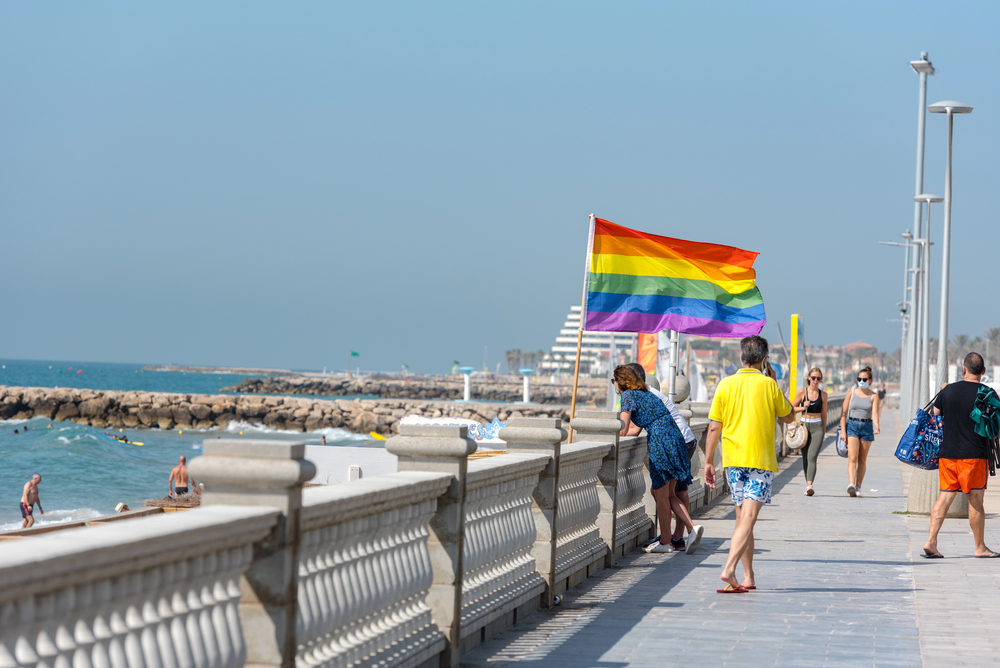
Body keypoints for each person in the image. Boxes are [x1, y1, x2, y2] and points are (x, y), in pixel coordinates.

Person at [704, 335, 794, 593]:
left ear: (741, 357)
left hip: (733, 460)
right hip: (760, 460)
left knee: (742, 520)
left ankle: (748, 576)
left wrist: (708, 461)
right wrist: (775, 382)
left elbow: (713, 426)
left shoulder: (725, 384)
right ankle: (730, 568)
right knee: (750, 518)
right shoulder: (769, 385)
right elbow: (788, 417)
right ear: (764, 360)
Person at [613, 365, 704, 555]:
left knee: (662, 495)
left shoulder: (628, 396)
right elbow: (637, 427)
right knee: (668, 494)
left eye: (614, 381)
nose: (614, 385)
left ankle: (667, 540)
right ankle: (688, 529)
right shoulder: (646, 392)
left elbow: (622, 429)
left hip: (660, 441)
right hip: (675, 438)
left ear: (620, 381)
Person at [922, 352, 998, 559]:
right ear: (982, 371)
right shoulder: (988, 393)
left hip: (948, 455)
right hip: (974, 456)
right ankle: (980, 547)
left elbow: (935, 417)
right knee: (975, 499)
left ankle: (931, 540)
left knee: (945, 496)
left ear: (963, 369)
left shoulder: (948, 391)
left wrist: (945, 395)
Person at [839, 366, 880, 497]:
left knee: (862, 459)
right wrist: (843, 432)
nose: (861, 381)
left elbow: (874, 414)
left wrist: (877, 426)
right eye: (859, 379)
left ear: (870, 380)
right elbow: (843, 413)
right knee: (852, 458)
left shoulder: (874, 396)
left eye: (864, 379)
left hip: (867, 426)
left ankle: (858, 487)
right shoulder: (851, 393)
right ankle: (851, 484)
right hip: (852, 425)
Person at [791, 367, 828, 496]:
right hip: (804, 427)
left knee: (812, 456)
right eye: (813, 378)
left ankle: (809, 485)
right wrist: (803, 407)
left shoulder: (823, 395)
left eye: (818, 378)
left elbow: (824, 414)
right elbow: (791, 408)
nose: (816, 380)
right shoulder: (802, 393)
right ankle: (808, 482)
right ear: (808, 378)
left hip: (817, 427)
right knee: (805, 458)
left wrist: (823, 431)